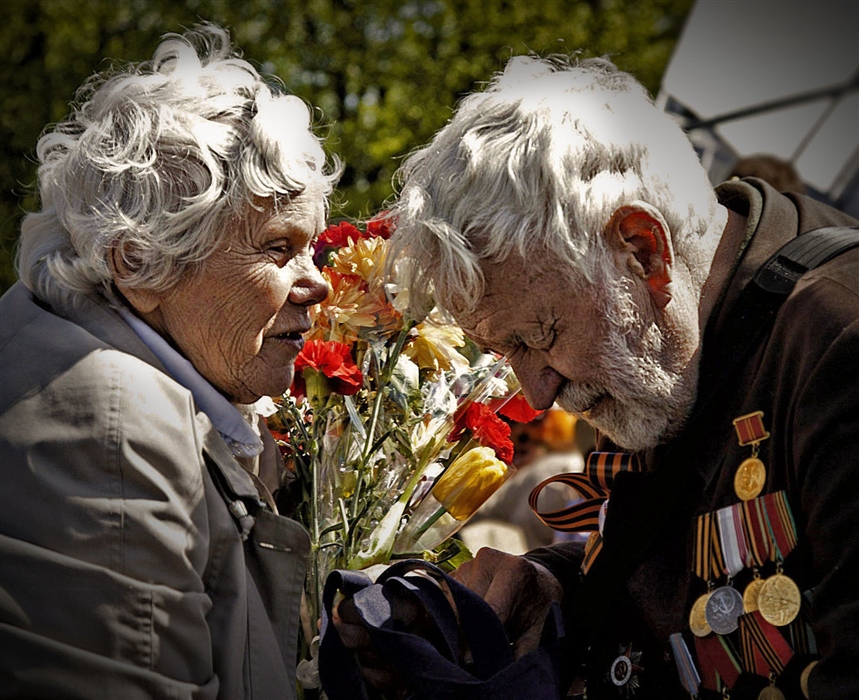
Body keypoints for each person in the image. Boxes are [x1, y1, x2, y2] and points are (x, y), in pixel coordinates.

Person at [382, 54, 859, 699]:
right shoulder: (663, 341)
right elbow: (686, 568)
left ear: (644, 251)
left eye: (539, 337)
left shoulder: (839, 341)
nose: (537, 392)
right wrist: (553, 587)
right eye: (507, 350)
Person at [0, 24, 339, 698]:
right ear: (140, 261)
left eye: (314, 246)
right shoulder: (108, 421)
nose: (319, 282)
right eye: (277, 248)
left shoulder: (96, 370)